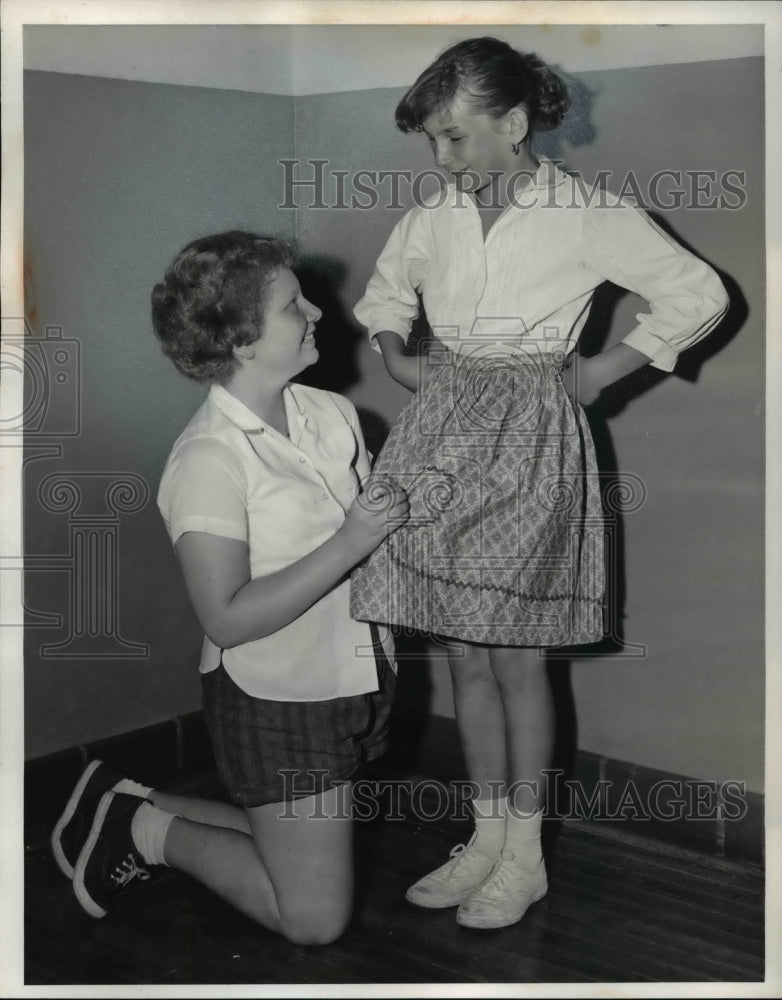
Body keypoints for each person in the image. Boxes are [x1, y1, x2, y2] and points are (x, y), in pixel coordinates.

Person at [349, 37, 728, 930]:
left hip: (530, 440)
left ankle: (524, 858)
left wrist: (600, 374)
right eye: (432, 144)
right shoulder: (433, 215)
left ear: (514, 124)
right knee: (466, 657)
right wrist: (399, 359)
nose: (443, 161)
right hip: (440, 435)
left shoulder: (586, 212)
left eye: (455, 138)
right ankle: (483, 839)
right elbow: (382, 300)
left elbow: (697, 292)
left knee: (517, 656)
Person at [51, 231, 409, 945]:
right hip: (273, 698)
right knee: (314, 920)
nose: (316, 309)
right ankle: (145, 828)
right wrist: (352, 541)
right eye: (290, 304)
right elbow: (228, 616)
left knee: (308, 843)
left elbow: (377, 546)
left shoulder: (333, 415)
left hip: (358, 672)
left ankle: (132, 799)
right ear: (242, 340)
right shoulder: (208, 460)